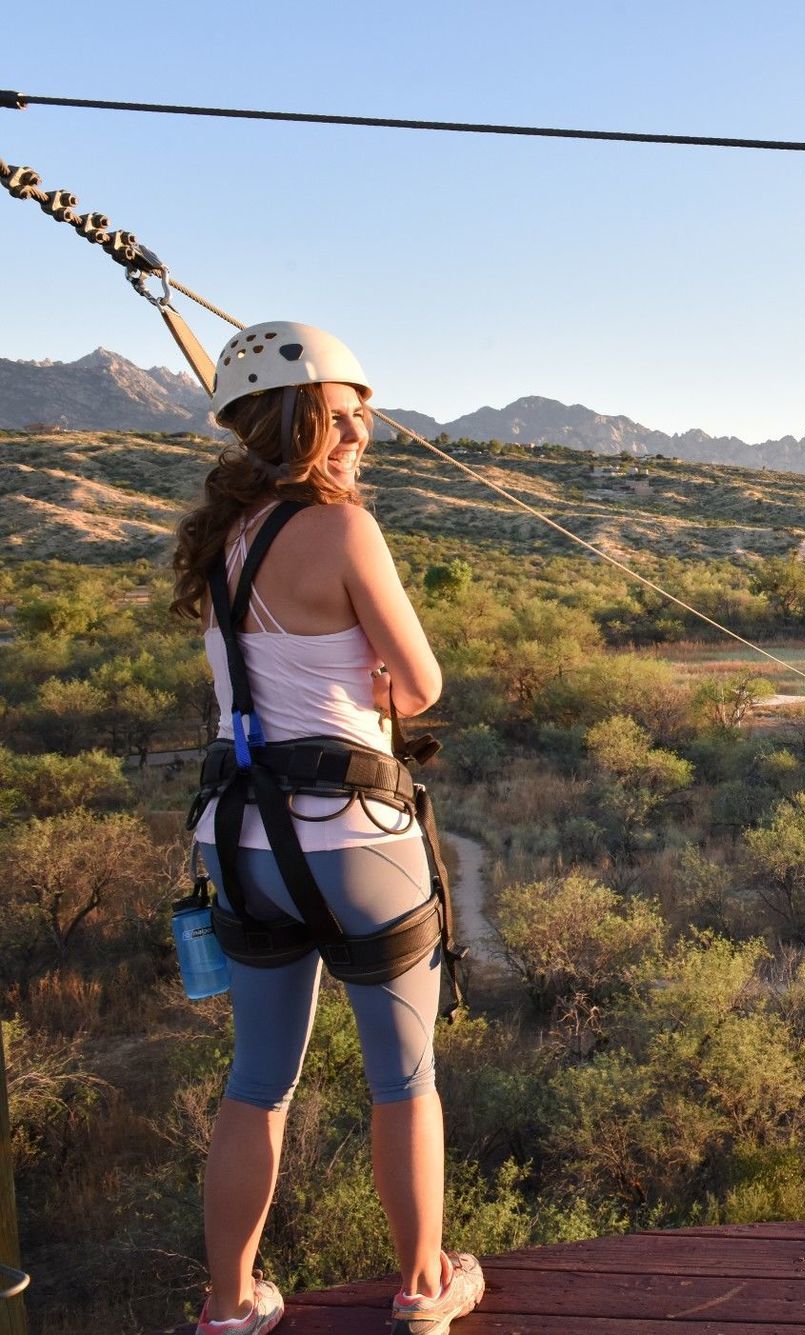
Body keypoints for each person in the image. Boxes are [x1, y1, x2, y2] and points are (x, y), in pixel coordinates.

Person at [170, 322, 483, 1335]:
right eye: (342, 417)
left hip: (240, 841)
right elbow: (423, 685)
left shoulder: (217, 538)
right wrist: (386, 683)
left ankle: (230, 1306)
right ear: (298, 420)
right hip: (354, 836)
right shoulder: (345, 528)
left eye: (365, 418)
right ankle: (425, 1289)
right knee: (405, 1078)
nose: (360, 436)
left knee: (258, 1082)